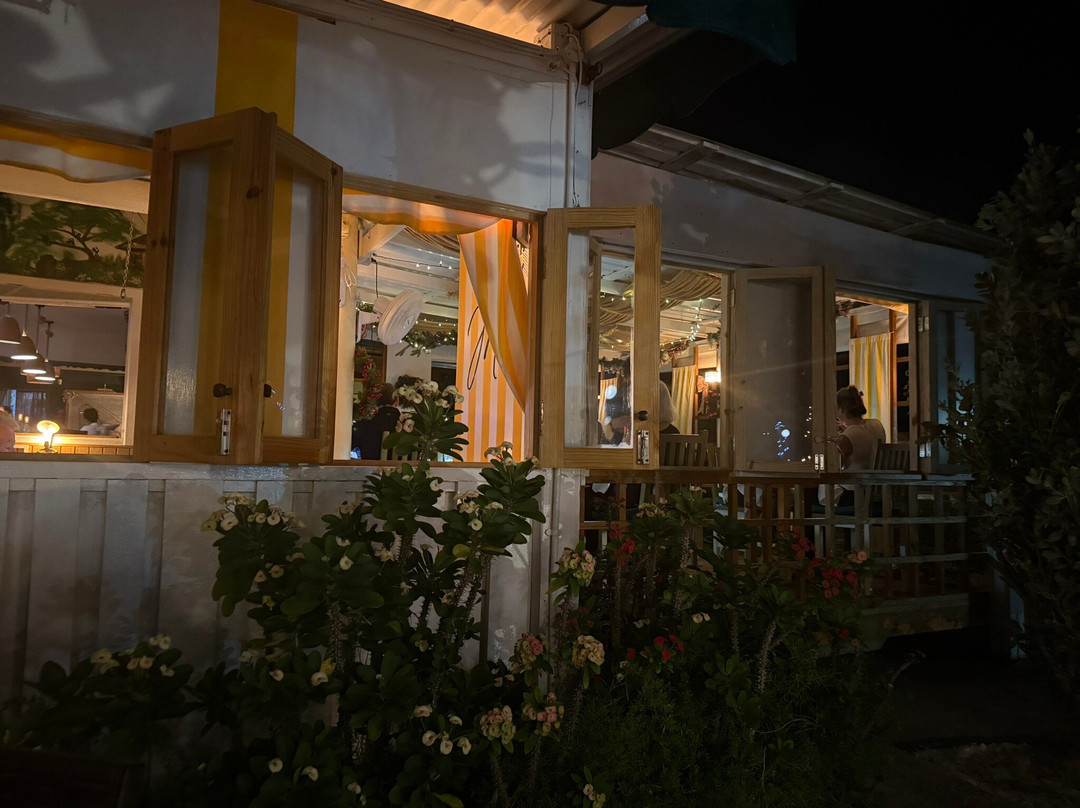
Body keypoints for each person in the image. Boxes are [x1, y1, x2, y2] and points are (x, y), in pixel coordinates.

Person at [829, 385, 886, 471]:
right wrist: (847, 430)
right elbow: (861, 436)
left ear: (841, 409)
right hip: (876, 478)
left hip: (854, 479)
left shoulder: (848, 436)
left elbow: (833, 466)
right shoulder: (876, 424)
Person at [352, 383, 400, 460]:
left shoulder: (363, 425)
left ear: (375, 402)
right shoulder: (411, 425)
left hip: (370, 467)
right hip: (407, 467)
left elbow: (346, 447)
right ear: (397, 401)